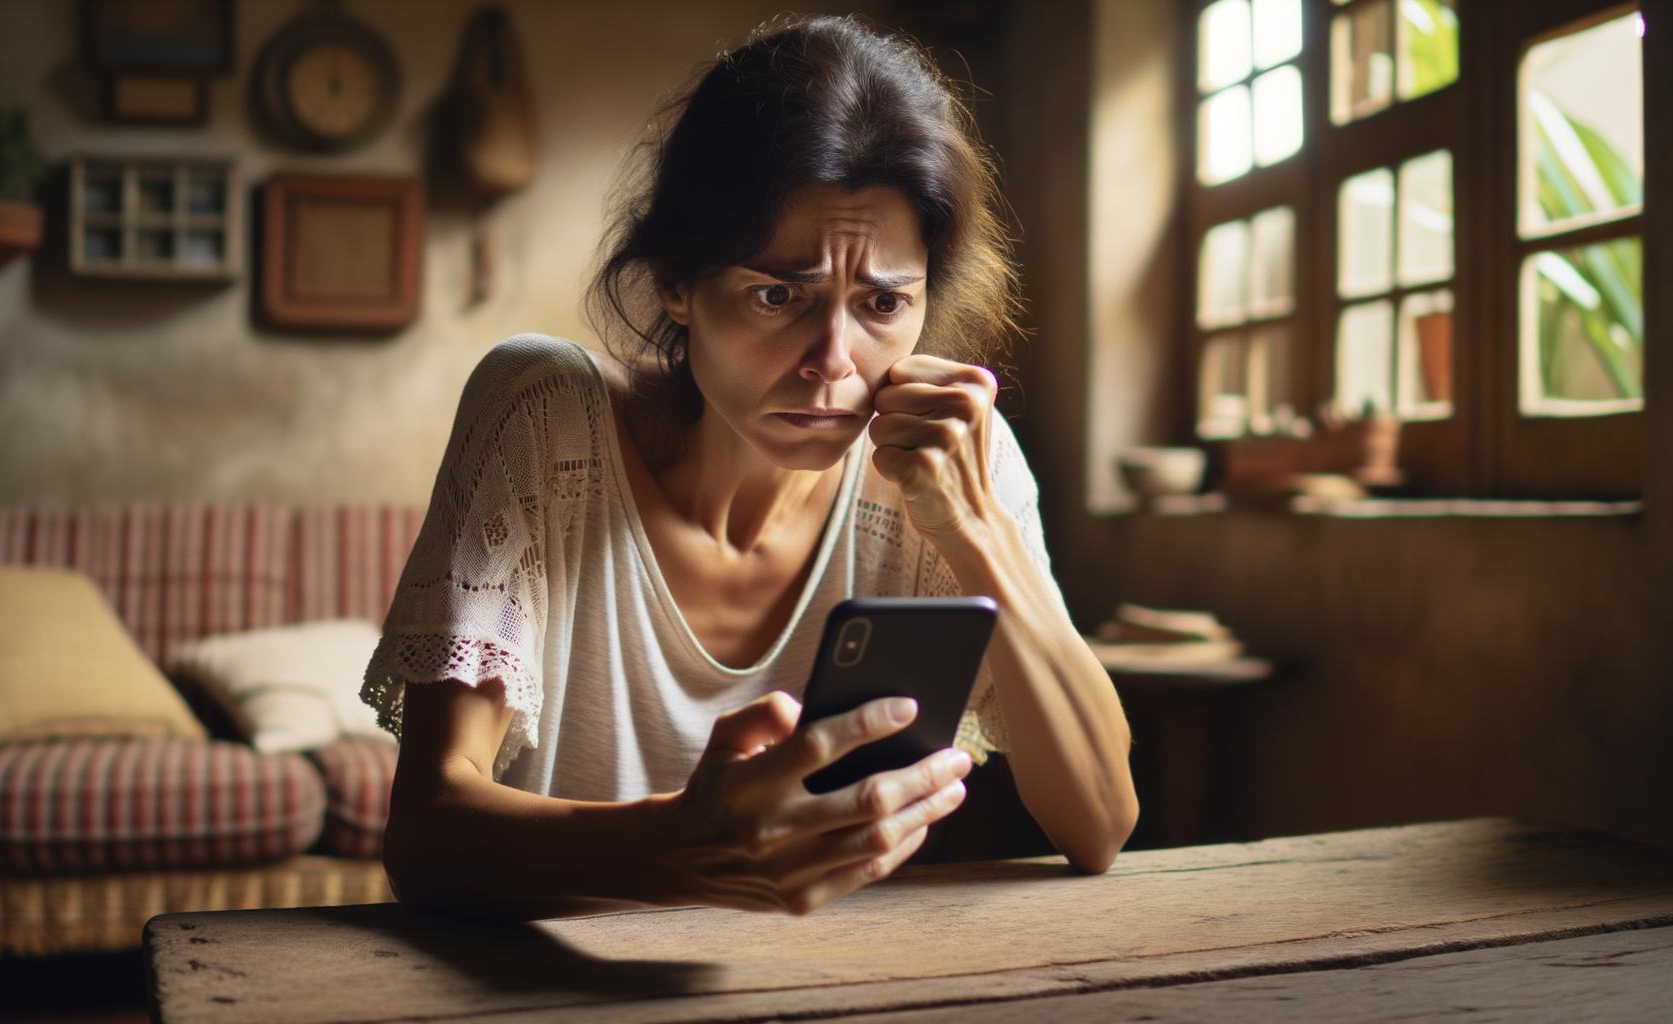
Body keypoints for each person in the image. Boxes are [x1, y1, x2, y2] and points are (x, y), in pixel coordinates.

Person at [364, 14, 1138, 921]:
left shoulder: (957, 457)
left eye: (883, 303)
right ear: (676, 282)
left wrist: (976, 528)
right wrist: (673, 850)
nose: (834, 362)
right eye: (778, 294)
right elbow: (424, 836)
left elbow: (1099, 825)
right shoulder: (547, 417)